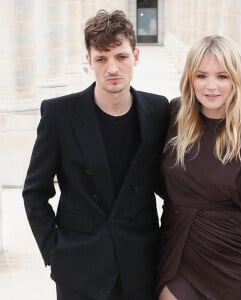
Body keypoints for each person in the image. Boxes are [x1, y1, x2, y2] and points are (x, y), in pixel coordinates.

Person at [22, 9, 169, 300]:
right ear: (89, 60)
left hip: (140, 265)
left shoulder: (159, 110)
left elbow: (171, 186)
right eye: (101, 58)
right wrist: (54, 252)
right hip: (79, 269)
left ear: (136, 57)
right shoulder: (59, 115)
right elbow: (34, 192)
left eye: (121, 57)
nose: (112, 68)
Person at [157, 35, 241, 300]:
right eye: (202, 75)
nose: (211, 86)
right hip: (177, 254)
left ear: (236, 80)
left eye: (222, 76)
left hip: (232, 264)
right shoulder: (174, 116)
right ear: (190, 78)